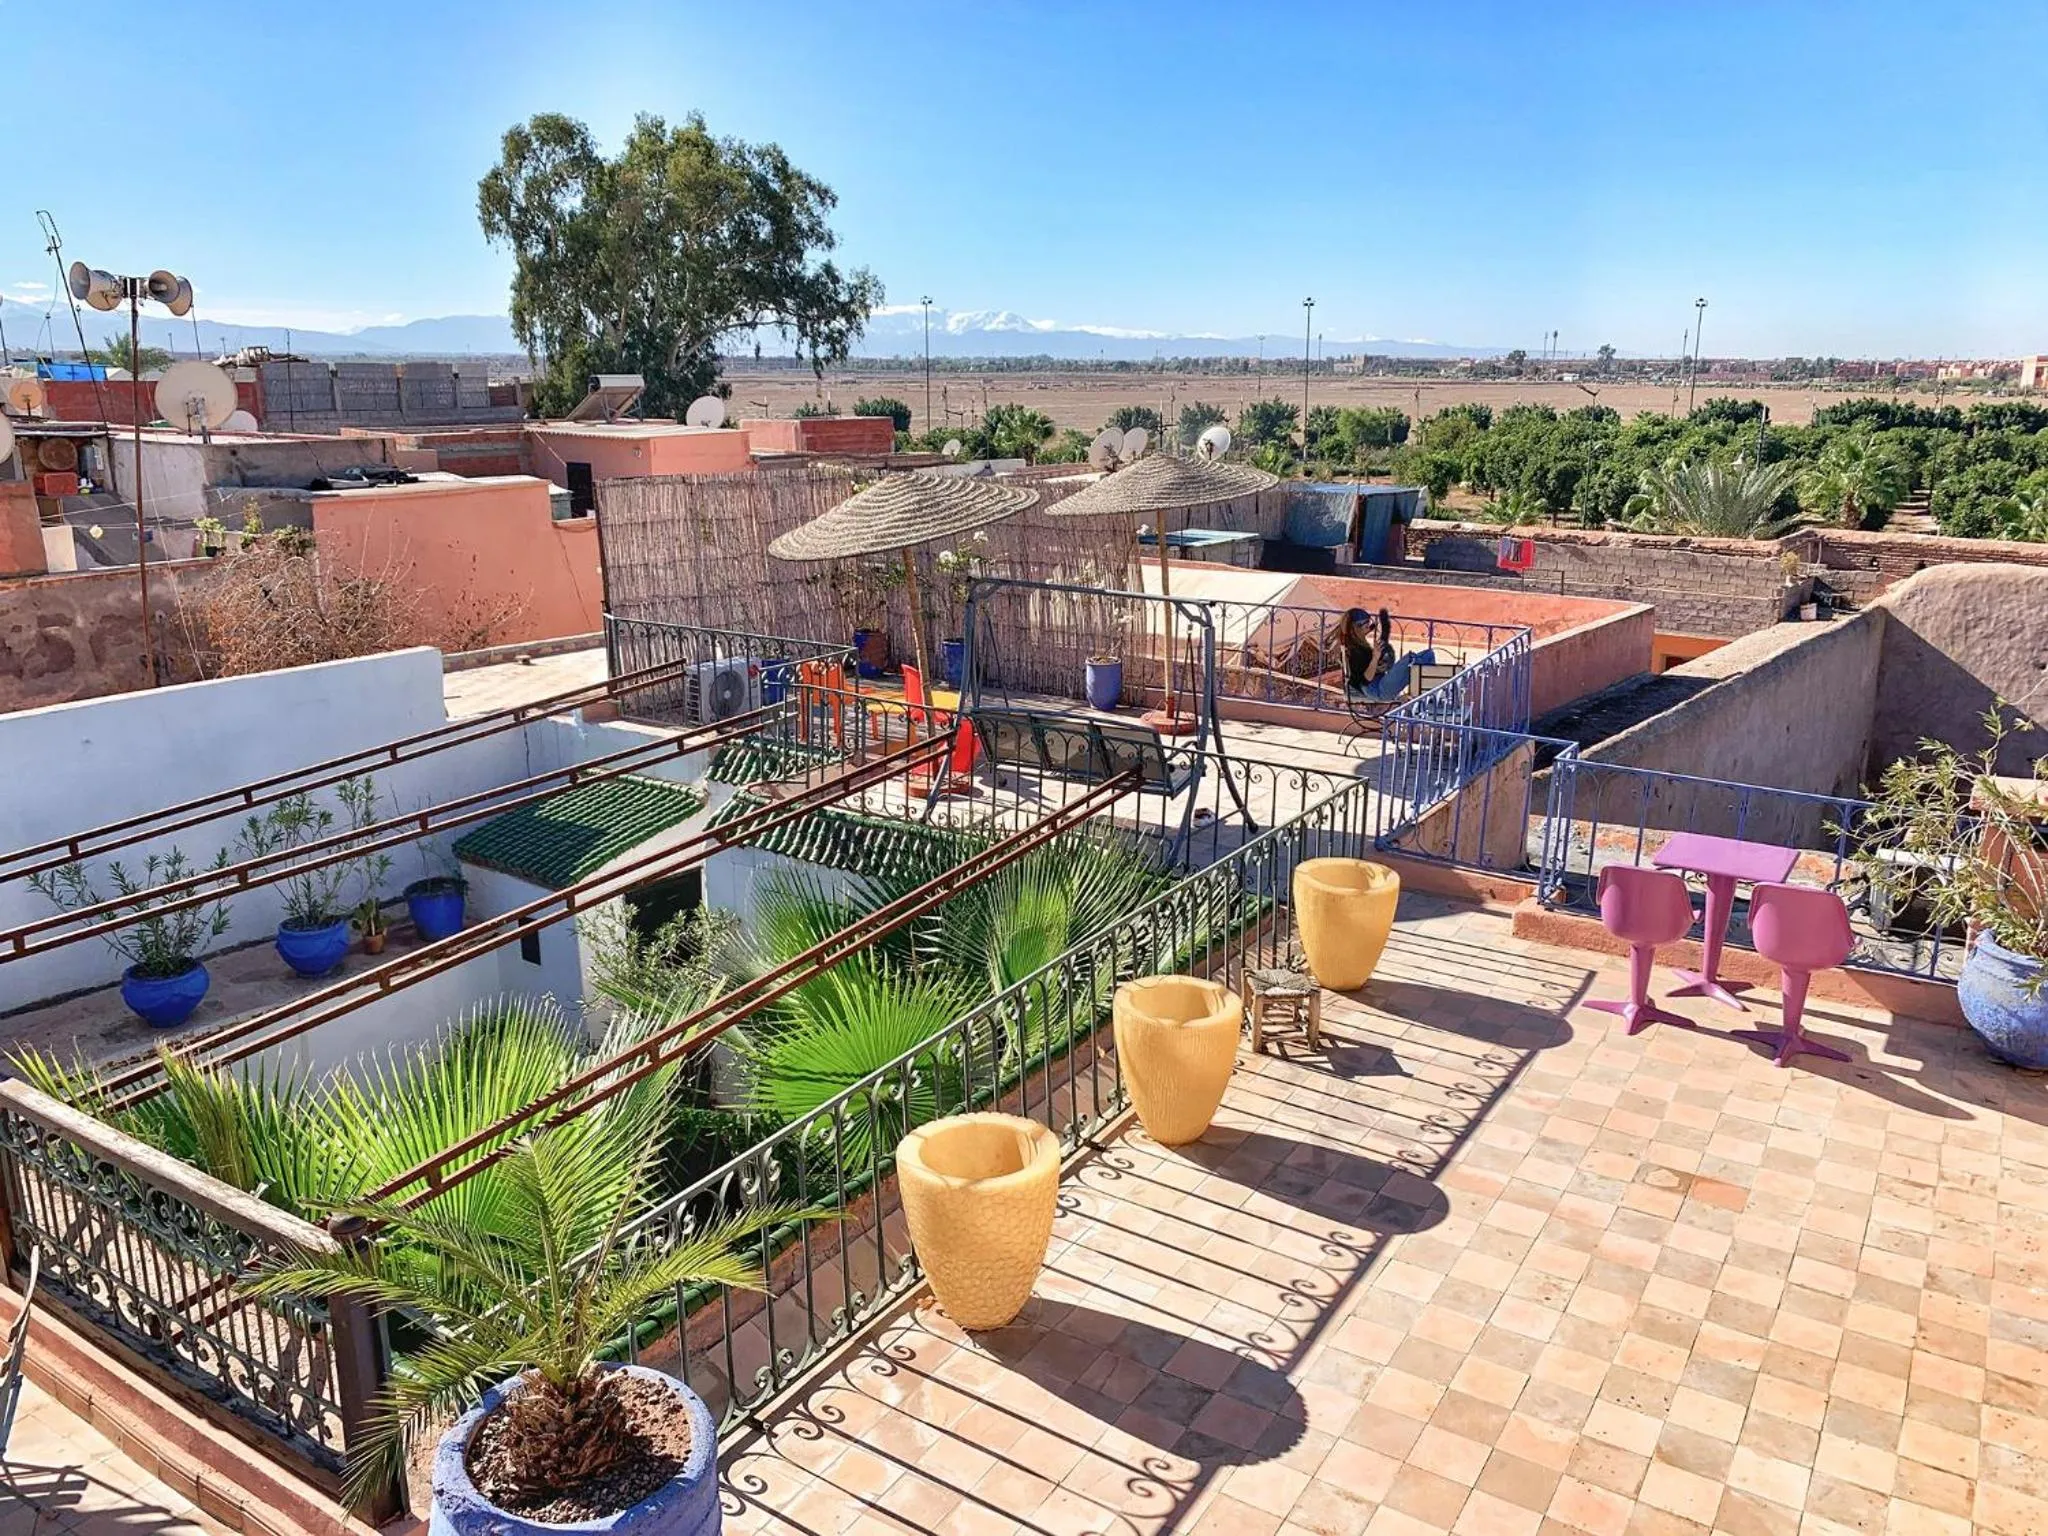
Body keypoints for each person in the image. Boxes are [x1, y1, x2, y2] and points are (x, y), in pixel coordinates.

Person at [1339, 607, 1394, 692]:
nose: (1369, 627)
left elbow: (1365, 629)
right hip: (1369, 688)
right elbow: (1365, 681)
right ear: (1357, 627)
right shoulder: (1356, 652)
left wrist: (1382, 625)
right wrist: (1375, 659)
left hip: (1371, 680)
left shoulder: (1351, 639)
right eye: (1366, 624)